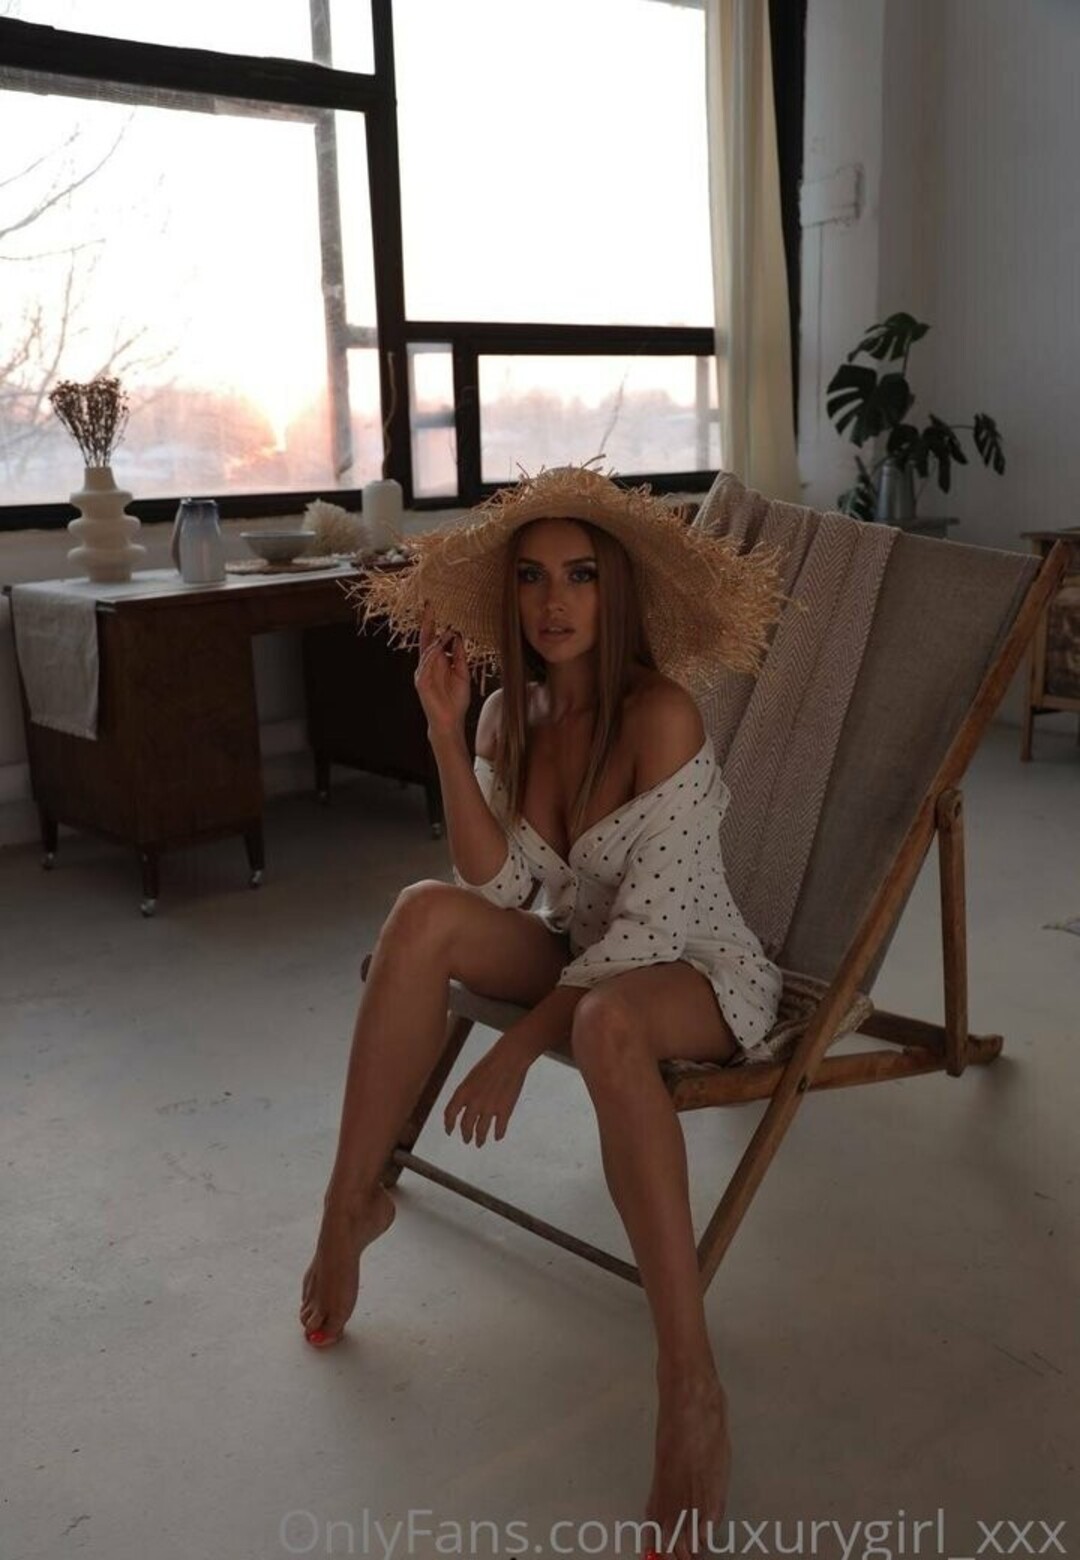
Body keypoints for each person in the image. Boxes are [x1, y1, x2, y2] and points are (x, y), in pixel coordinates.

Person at [299, 463, 784, 1558]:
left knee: (608, 1024)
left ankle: (690, 1383)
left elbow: (642, 941)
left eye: (578, 576)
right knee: (420, 915)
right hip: (578, 951)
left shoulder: (663, 716)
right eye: (530, 578)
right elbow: (499, 884)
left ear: (617, 592)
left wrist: (518, 1047)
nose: (552, 602)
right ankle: (348, 1207)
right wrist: (444, 731)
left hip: (691, 968)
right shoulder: (510, 712)